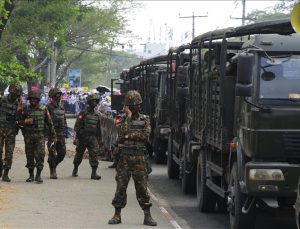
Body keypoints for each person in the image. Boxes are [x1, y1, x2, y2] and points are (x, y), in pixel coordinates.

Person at [108, 90, 157, 226]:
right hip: (124, 158)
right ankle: (117, 215)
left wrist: (129, 135)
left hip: (139, 158)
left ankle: (147, 216)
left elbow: (145, 135)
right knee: (120, 188)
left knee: (142, 188)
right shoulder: (122, 119)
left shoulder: (145, 119)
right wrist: (128, 117)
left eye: (135, 105)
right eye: (131, 105)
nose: (133, 107)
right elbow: (121, 132)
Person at [18, 90, 56, 184]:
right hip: (29, 136)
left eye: (35, 99)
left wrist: (53, 134)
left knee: (40, 156)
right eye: (31, 99)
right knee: (29, 156)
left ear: (38, 100)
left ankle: (38, 175)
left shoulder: (44, 109)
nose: (32, 101)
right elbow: (19, 121)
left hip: (40, 136)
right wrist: (26, 121)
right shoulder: (26, 109)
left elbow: (49, 123)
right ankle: (31, 176)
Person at [72, 93, 101, 180]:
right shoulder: (83, 113)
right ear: (89, 102)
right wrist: (76, 138)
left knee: (94, 155)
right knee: (79, 155)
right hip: (83, 137)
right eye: (93, 101)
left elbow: (98, 128)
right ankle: (75, 168)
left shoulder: (97, 114)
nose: (95, 103)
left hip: (93, 138)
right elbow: (77, 125)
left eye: (96, 102)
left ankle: (94, 173)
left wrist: (100, 139)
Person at [0, 84, 23, 182]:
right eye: (14, 94)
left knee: (9, 154)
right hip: (0, 129)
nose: (16, 96)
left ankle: (6, 174)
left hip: (11, 131)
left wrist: (19, 111)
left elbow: (20, 120)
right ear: (10, 92)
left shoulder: (19, 103)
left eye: (17, 95)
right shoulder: (2, 100)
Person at [46, 88, 68, 179]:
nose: (59, 96)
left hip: (61, 134)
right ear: (52, 97)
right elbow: (45, 121)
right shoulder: (48, 107)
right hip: (52, 134)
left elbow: (64, 119)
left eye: (60, 95)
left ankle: (53, 164)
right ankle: (53, 171)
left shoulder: (62, 107)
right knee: (52, 153)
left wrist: (66, 131)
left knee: (62, 153)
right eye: (56, 95)